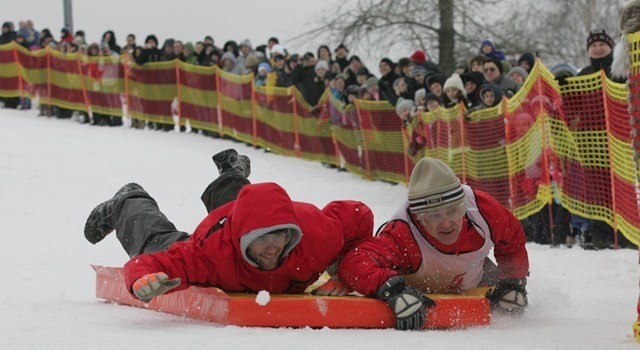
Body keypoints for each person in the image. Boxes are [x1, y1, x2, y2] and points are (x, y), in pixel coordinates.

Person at [83, 149, 374, 301]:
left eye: (280, 237)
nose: (273, 247)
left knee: (248, 204)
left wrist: (347, 271)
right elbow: (153, 261)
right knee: (156, 240)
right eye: (262, 239)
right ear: (243, 238)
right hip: (221, 234)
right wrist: (142, 279)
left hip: (253, 216)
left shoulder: (315, 234)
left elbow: (359, 215)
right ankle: (128, 200)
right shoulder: (208, 253)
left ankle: (232, 172)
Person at [339, 157, 530, 330]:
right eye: (435, 215)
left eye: (453, 211)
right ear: (419, 218)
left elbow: (512, 240)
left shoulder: (483, 209)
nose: (446, 223)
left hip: (476, 275)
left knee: (510, 299)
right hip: (417, 284)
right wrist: (391, 288)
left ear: (463, 207)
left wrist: (512, 281)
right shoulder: (402, 235)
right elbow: (353, 263)